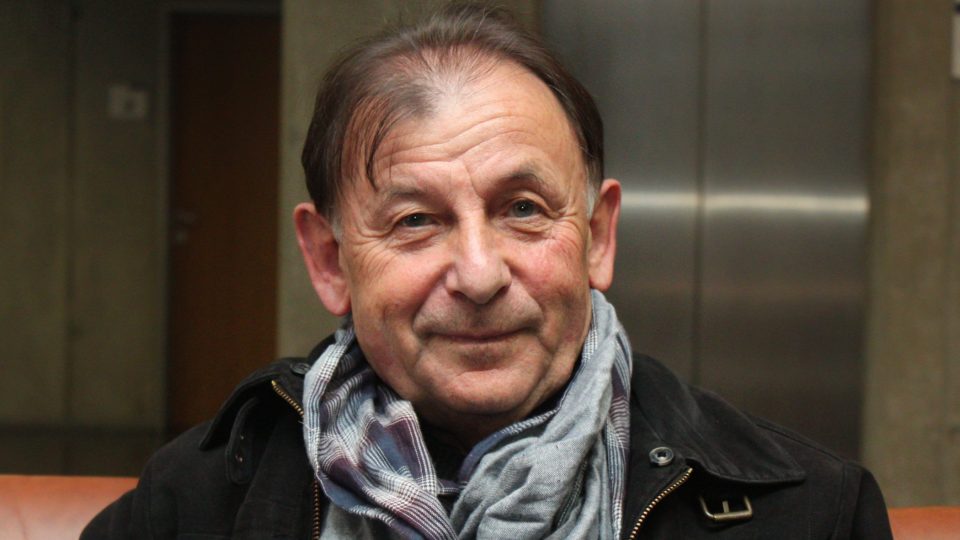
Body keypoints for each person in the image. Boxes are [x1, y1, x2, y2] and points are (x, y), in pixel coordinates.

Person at [83, 3, 892, 539]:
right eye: (415, 221)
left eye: (524, 210)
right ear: (330, 261)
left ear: (597, 237)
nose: (478, 275)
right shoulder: (194, 504)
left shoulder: (811, 514)